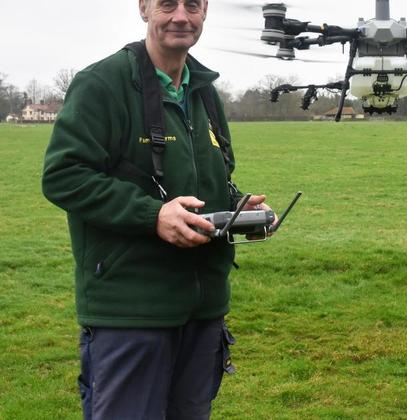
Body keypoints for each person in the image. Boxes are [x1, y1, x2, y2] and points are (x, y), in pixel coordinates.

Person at [42, 0, 274, 417]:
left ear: (206, 11)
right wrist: (153, 215)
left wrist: (238, 209)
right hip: (131, 312)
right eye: (167, 3)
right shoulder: (102, 83)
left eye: (193, 5)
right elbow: (64, 176)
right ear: (144, 8)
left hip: (203, 311)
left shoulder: (203, 89)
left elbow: (213, 178)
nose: (181, 16)